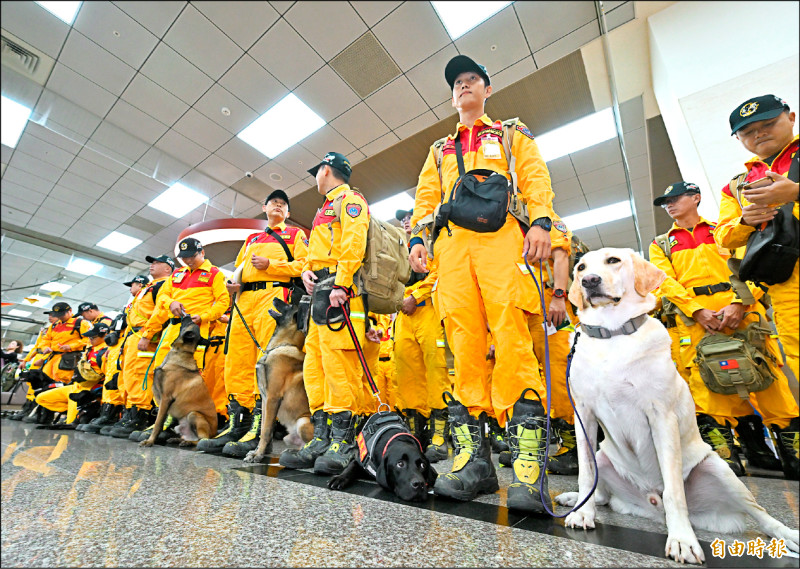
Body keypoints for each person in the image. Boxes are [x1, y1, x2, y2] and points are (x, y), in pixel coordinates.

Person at [407, 55, 555, 512]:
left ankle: (529, 468)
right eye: (456, 83)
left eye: (471, 79)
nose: (463, 86)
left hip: (501, 239)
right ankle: (476, 462)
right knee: (463, 342)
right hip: (451, 248)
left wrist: (542, 222)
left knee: (511, 333)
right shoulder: (438, 149)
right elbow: (427, 197)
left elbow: (533, 176)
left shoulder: (509, 132)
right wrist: (417, 238)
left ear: (486, 89)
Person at [651, 181, 798, 479]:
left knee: (768, 378)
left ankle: (789, 453)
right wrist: (697, 310)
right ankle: (724, 455)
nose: (669, 205)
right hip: (695, 323)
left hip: (743, 315)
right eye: (666, 201)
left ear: (696, 198)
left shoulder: (727, 230)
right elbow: (664, 282)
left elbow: (757, 264)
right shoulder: (662, 244)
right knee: (707, 384)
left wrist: (740, 303)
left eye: (676, 198)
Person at [715, 95, 798, 478]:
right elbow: (724, 237)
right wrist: (747, 221)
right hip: (786, 282)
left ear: (791, 118)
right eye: (748, 132)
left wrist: (793, 193)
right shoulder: (738, 184)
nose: (759, 134)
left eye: (767, 124)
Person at [279, 151, 370, 475]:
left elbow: (354, 242)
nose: (315, 177)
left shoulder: (349, 199)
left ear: (326, 170)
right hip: (319, 294)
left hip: (338, 294)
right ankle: (322, 437)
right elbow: (320, 250)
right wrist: (305, 270)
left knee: (338, 368)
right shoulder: (325, 208)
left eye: (317, 172)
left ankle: (343, 444)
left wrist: (342, 284)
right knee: (315, 366)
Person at [205, 189, 308, 456]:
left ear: (288, 213)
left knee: (266, 363)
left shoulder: (296, 235)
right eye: (273, 201)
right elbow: (239, 268)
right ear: (263, 208)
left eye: (283, 204)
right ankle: (237, 424)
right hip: (243, 301)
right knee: (237, 361)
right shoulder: (252, 238)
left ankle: (258, 430)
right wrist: (232, 284)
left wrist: (271, 264)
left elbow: (305, 265)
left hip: (273, 297)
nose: (278, 205)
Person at [138, 238, 229, 447]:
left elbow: (223, 301)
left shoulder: (214, 273)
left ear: (202, 252)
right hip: (172, 331)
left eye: (192, 256)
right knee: (160, 377)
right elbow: (162, 298)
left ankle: (192, 428)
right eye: (185, 258)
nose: (189, 261)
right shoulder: (177, 274)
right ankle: (165, 423)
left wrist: (205, 316)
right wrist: (171, 303)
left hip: (195, 332)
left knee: (191, 381)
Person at [392, 208, 449, 461]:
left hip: (428, 312)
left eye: (410, 218)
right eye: (403, 218)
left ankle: (439, 437)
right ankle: (415, 434)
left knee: (436, 372)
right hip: (403, 317)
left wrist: (416, 296)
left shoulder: (434, 243)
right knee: (407, 375)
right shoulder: (396, 248)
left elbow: (440, 275)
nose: (406, 221)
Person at [34, 322, 111, 428]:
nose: (90, 340)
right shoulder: (90, 347)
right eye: (89, 337)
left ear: (104, 335)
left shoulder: (106, 351)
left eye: (93, 337)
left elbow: (108, 375)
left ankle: (78, 412)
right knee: (41, 398)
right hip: (75, 386)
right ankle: (72, 410)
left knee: (70, 423)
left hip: (87, 391)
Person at [38, 302, 91, 386]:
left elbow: (88, 339)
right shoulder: (54, 325)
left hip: (68, 360)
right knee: (45, 382)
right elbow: (46, 339)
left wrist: (71, 346)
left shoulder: (80, 323)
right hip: (52, 359)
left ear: (70, 311)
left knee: (63, 383)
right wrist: (45, 347)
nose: (60, 317)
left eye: (62, 314)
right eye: (57, 315)